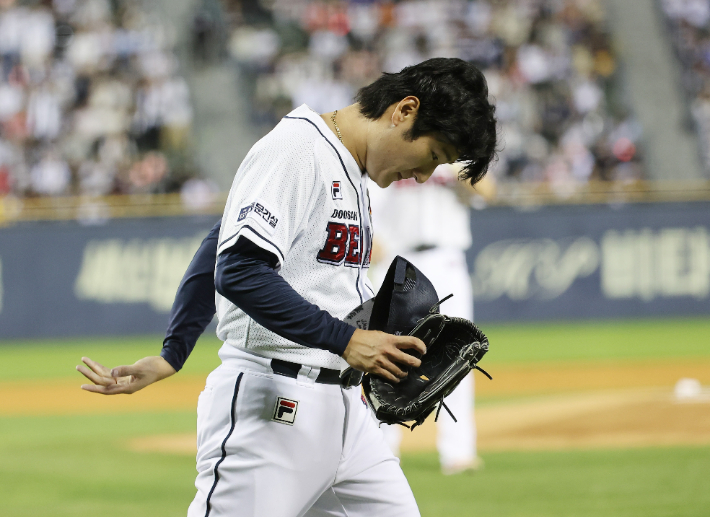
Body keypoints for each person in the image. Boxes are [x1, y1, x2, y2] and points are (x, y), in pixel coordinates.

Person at [76, 57, 497, 517]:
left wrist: (173, 351)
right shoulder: (298, 149)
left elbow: (219, 241)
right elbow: (237, 268)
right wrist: (349, 339)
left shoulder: (352, 168)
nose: (422, 176)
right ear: (404, 110)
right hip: (272, 407)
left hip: (347, 416)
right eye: (433, 156)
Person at [368, 161, 482, 475]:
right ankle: (382, 450)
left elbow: (487, 190)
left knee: (460, 352)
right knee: (389, 354)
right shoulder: (397, 150)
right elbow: (368, 202)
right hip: (399, 259)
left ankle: (459, 452)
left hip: (447, 257)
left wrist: (459, 167)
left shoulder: (455, 154)